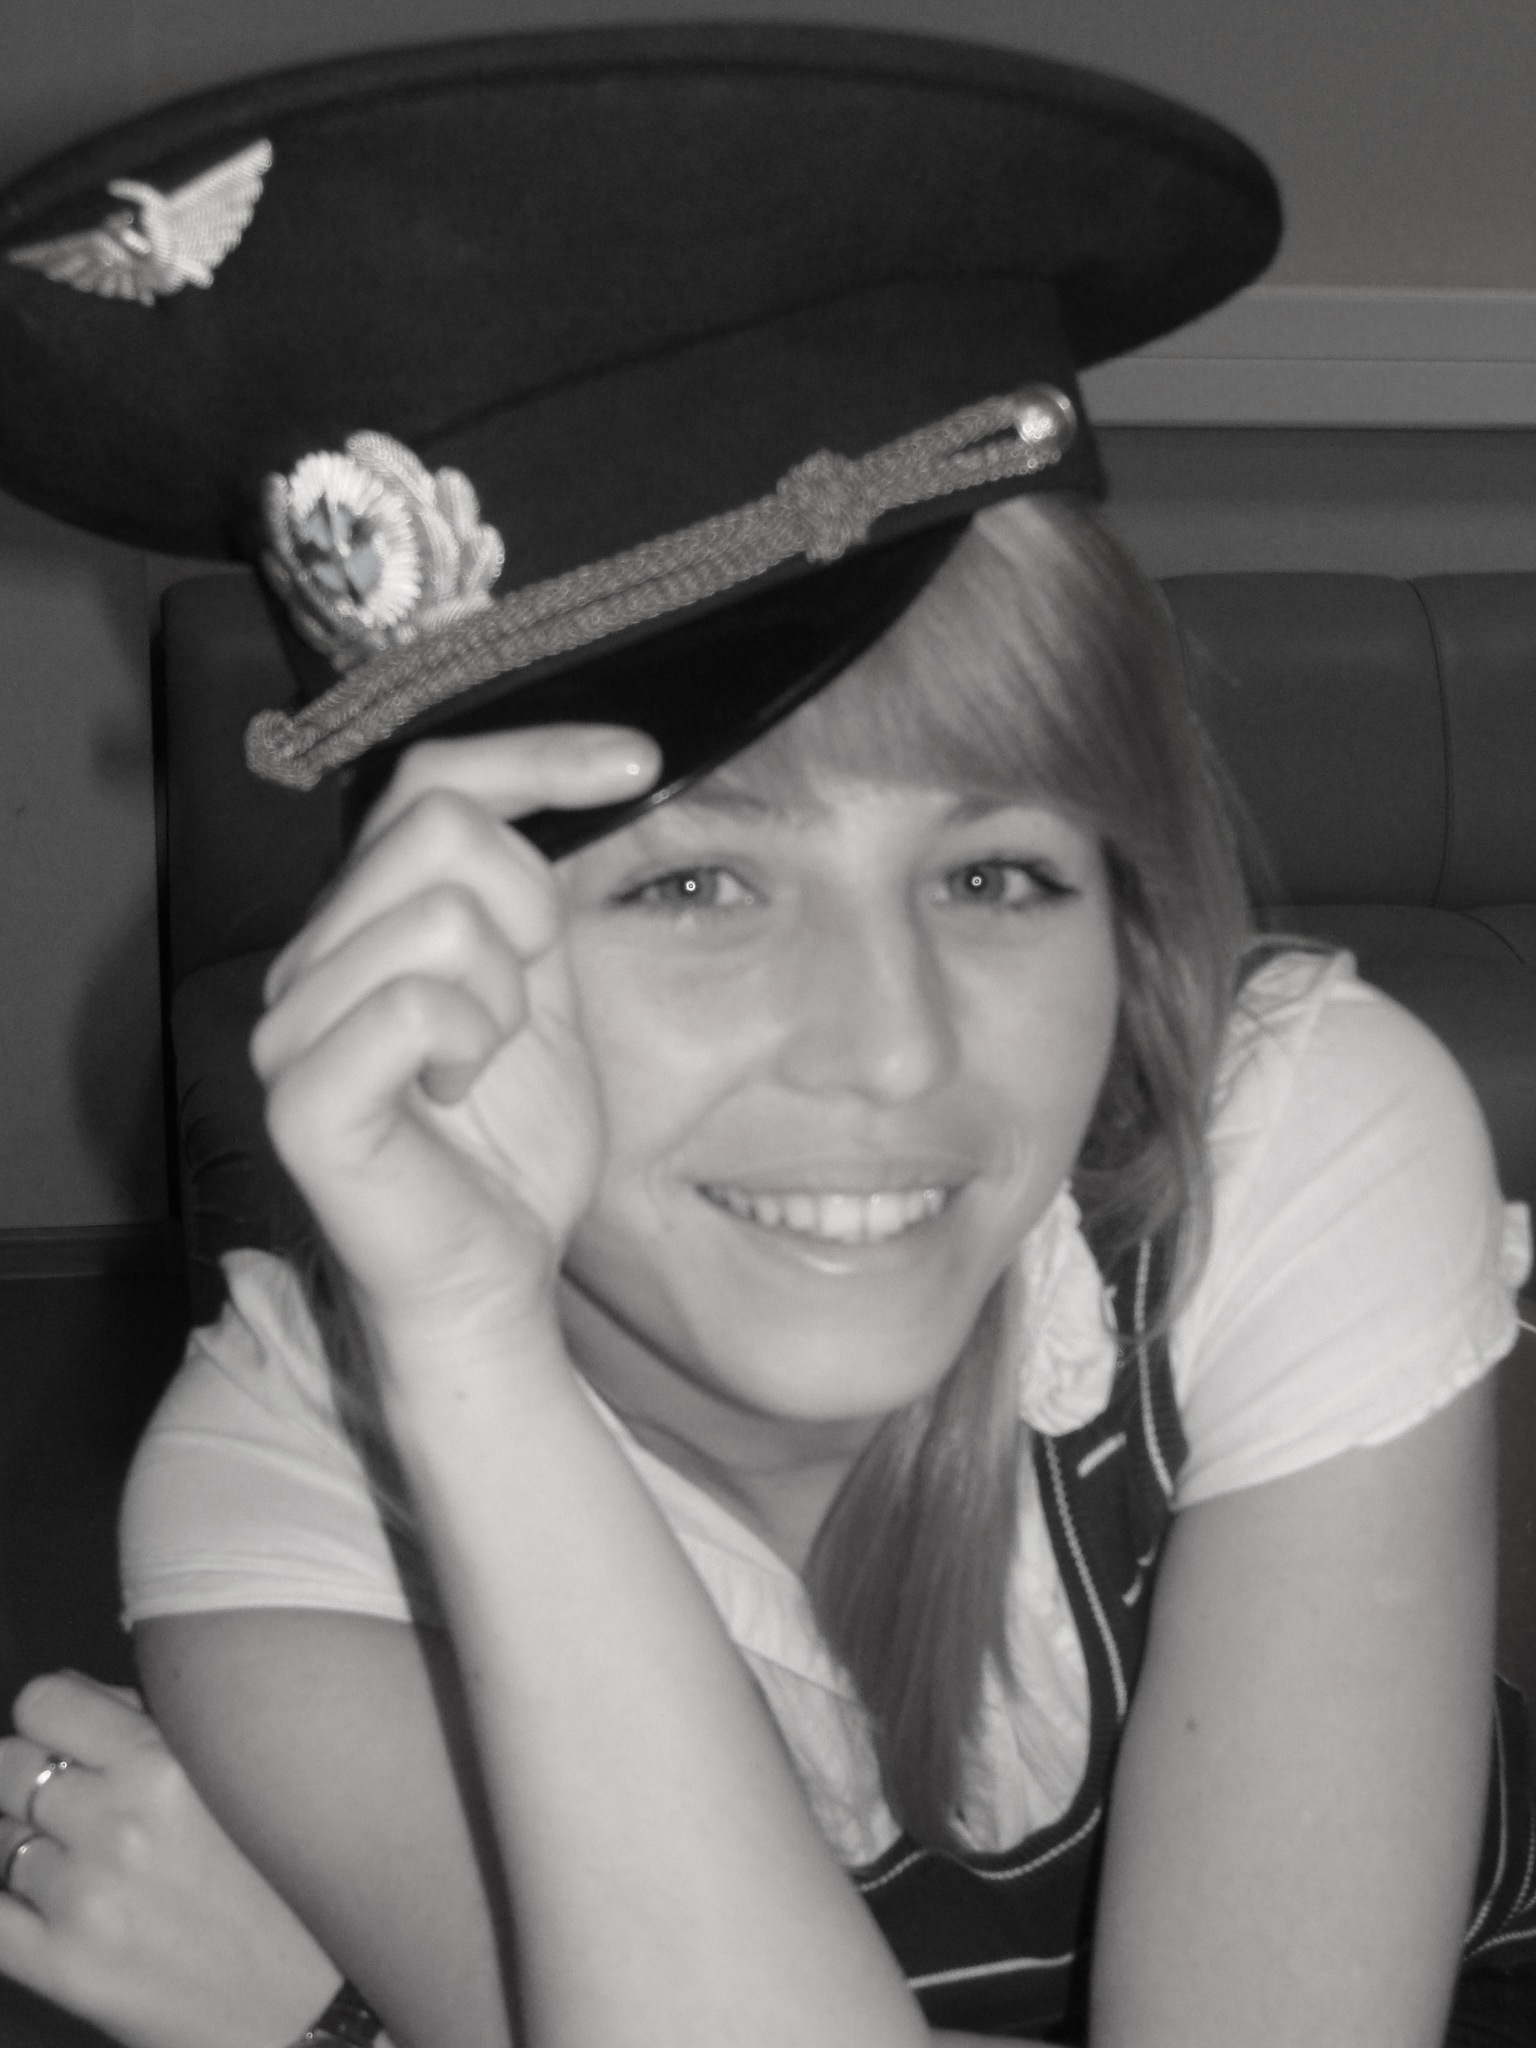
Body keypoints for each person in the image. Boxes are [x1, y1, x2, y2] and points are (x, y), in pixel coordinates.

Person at [0, 24, 1532, 2048]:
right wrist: (478, 1370)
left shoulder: (1286, 1150)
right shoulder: (304, 1506)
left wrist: (359, 2026)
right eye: (694, 885)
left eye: (998, 873)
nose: (893, 1051)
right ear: (437, 959)